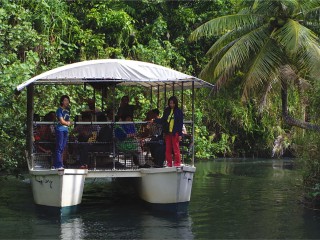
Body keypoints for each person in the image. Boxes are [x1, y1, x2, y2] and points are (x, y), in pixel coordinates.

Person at [155, 96, 183, 167]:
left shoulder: (178, 111)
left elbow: (180, 123)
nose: (171, 105)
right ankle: (169, 163)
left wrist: (180, 134)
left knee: (176, 149)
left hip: (175, 133)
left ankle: (177, 163)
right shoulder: (167, 110)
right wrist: (155, 120)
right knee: (168, 149)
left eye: (172, 103)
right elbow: (163, 120)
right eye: (170, 103)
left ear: (175, 103)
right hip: (168, 133)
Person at [54, 95, 71, 169]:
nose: (67, 102)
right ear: (62, 102)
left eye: (67, 100)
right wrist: (68, 123)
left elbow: (67, 120)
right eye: (65, 100)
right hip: (60, 130)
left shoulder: (68, 110)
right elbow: (61, 121)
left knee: (63, 147)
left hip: (65, 130)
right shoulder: (59, 110)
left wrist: (68, 123)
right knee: (59, 147)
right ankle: (58, 165)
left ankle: (60, 163)